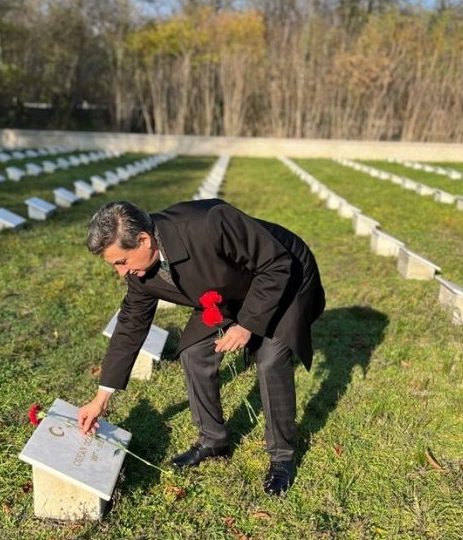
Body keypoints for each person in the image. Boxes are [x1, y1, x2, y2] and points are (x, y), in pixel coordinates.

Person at [77, 199, 325, 496]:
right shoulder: (141, 271)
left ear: (144, 240)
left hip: (283, 276)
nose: (121, 273)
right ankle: (213, 439)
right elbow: (131, 325)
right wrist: (102, 397)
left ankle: (282, 456)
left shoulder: (210, 223)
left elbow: (276, 265)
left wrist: (246, 325)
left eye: (122, 262)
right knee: (194, 351)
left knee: (271, 359)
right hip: (228, 288)